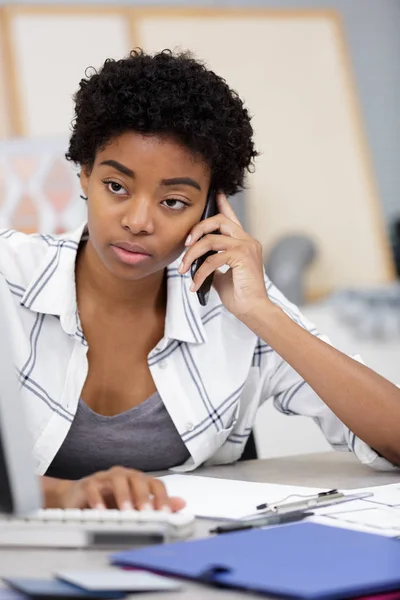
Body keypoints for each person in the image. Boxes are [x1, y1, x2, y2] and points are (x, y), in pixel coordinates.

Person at [0, 49, 399, 512]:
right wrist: (63, 494)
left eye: (173, 201)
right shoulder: (9, 276)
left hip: (185, 557)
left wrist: (262, 313)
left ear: (211, 208)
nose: (138, 221)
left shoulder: (234, 307)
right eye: (116, 186)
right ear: (85, 174)